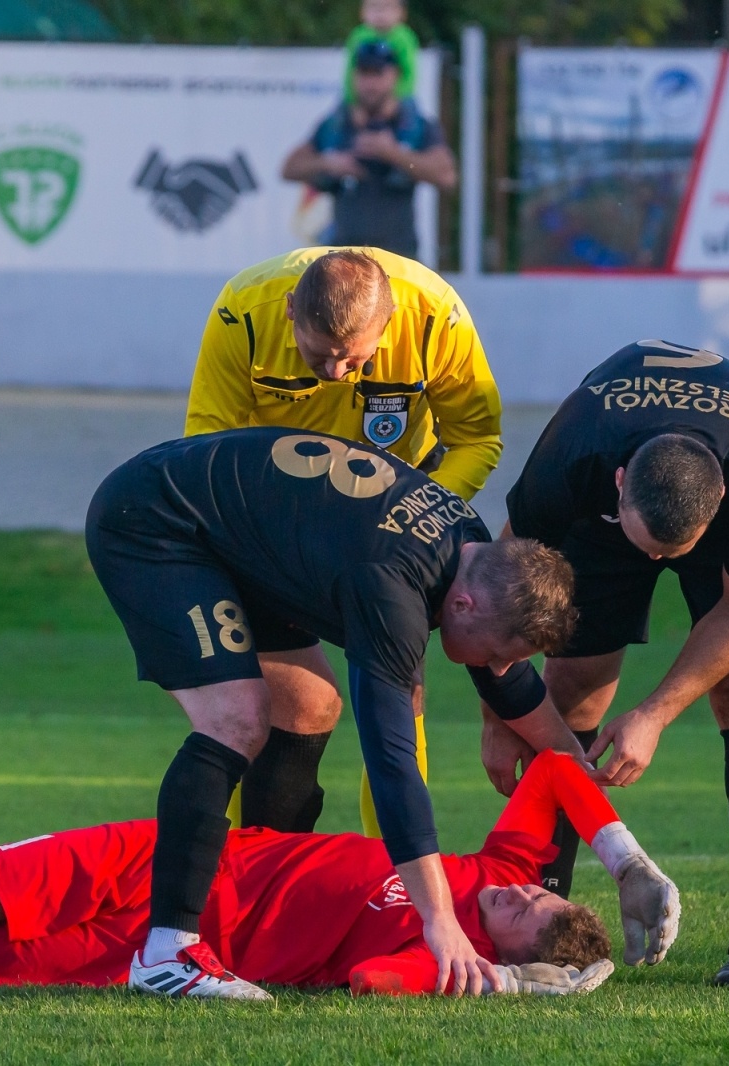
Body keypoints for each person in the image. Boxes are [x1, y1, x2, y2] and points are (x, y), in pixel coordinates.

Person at [83, 426, 591, 999]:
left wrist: (583, 785)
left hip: (230, 528)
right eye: (499, 654)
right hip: (155, 522)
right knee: (236, 718)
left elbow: (510, 682)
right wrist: (439, 920)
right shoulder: (392, 592)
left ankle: (249, 908)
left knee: (309, 703)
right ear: (464, 605)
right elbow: (392, 762)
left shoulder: (474, 552)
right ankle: (167, 952)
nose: (497, 669)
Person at [0, 751, 679, 998]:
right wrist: (623, 859)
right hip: (165, 863)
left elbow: (365, 987)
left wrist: (508, 980)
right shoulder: (493, 864)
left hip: (161, 950)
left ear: (506, 951)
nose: (523, 893)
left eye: (526, 917)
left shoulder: (435, 950)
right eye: (543, 891)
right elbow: (548, 769)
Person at [493, 339, 729, 988]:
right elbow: (503, 586)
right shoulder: (574, 450)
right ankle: (544, 927)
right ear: (621, 483)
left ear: (717, 508)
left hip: (704, 487)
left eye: (671, 552)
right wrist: (499, 718)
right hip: (600, 523)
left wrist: (654, 715)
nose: (657, 564)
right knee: (570, 690)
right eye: (648, 548)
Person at [186, 248, 502, 841]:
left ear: (389, 324)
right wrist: (267, 538)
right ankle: (228, 870)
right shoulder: (241, 313)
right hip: (274, 526)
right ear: (287, 314)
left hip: (388, 528)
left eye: (352, 358)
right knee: (258, 708)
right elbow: (206, 449)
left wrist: (413, 517)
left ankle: (395, 882)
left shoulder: (437, 317)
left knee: (400, 701)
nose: (334, 372)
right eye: (317, 355)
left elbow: (478, 440)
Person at [283, 40, 455, 259]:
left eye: (378, 74)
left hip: (398, 257)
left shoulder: (413, 126)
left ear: (395, 76)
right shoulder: (337, 125)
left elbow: (446, 176)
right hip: (344, 259)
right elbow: (289, 168)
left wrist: (393, 154)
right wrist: (329, 163)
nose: (370, 83)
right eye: (364, 74)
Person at [343, 0, 420, 103]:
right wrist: (353, 102)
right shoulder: (358, 36)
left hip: (398, 100)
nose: (380, 13)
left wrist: (395, 101)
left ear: (402, 13)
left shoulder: (404, 38)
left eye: (387, 7)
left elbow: (409, 75)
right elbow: (350, 73)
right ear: (362, 12)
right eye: (374, 7)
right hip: (362, 100)